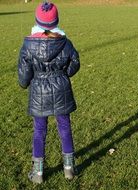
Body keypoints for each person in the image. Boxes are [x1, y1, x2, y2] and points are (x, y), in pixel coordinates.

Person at [18, 1, 80, 184]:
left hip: (38, 93)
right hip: (61, 89)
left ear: (37, 21)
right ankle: (69, 169)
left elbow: (23, 76)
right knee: (64, 127)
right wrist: (63, 75)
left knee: (39, 130)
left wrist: (27, 82)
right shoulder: (65, 43)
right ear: (56, 21)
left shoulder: (27, 46)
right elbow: (75, 63)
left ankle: (38, 173)